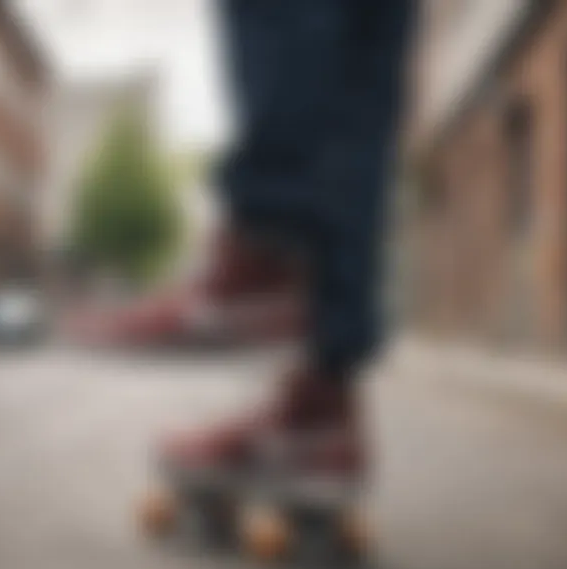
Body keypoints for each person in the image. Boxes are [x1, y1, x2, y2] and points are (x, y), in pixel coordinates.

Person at [110, 1, 415, 492]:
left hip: (276, 216)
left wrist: (267, 212)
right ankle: (320, 414)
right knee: (363, 39)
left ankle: (266, 254)